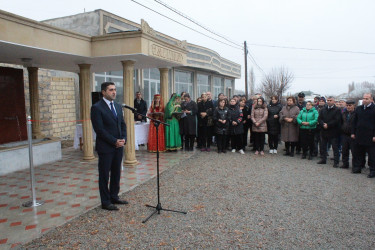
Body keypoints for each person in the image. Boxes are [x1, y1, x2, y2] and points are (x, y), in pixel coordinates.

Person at [91, 82, 127, 211]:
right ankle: (105, 201)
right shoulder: (97, 107)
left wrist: (123, 139)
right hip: (106, 147)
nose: (114, 92)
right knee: (105, 175)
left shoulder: (117, 106)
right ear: (103, 92)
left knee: (116, 173)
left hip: (118, 146)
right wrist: (114, 141)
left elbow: (122, 124)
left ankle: (114, 196)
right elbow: (99, 130)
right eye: (111, 90)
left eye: (115, 89)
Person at [351, 93, 375, 177]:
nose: (365, 100)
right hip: (359, 135)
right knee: (358, 153)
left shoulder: (374, 109)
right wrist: (353, 132)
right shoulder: (359, 108)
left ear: (371, 100)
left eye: (367, 98)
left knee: (372, 155)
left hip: (370, 136)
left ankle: (372, 170)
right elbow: (354, 121)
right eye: (364, 98)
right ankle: (358, 167)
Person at [317, 96, 342, 167]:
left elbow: (337, 120)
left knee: (335, 147)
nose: (329, 101)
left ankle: (336, 162)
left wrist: (328, 124)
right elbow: (319, 118)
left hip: (333, 131)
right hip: (324, 131)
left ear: (334, 101)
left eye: (330, 100)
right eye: (328, 100)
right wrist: (323, 124)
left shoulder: (337, 110)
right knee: (323, 146)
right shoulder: (323, 109)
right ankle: (323, 159)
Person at [340, 100, 356, 169]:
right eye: (347, 105)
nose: (348, 107)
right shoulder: (344, 113)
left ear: (353, 106)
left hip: (353, 135)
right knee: (344, 150)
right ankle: (345, 163)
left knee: (354, 151)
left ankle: (355, 165)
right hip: (344, 134)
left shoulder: (356, 113)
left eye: (350, 105)